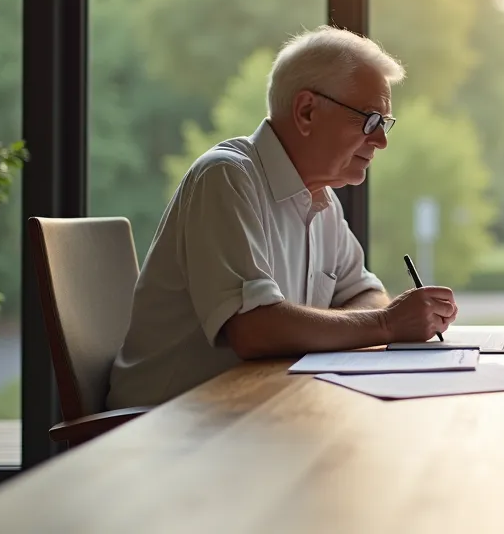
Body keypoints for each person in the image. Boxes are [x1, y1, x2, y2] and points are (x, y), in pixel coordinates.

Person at [108, 26, 458, 409]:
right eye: (370, 120)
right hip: (163, 426)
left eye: (384, 124)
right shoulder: (225, 178)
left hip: (253, 410)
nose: (381, 141)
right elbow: (254, 330)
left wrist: (356, 321)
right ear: (307, 111)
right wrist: (386, 325)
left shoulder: (323, 201)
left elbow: (367, 294)